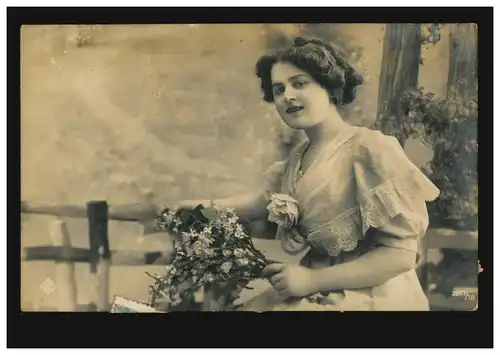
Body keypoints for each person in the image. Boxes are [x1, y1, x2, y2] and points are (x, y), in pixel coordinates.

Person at [175, 37, 440, 311]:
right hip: (316, 285)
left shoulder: (370, 149)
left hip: (372, 295)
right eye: (278, 90)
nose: (287, 96)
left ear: (329, 87)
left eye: (299, 83)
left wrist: (312, 279)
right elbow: (265, 201)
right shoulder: (298, 156)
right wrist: (205, 207)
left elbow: (400, 256)